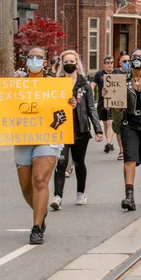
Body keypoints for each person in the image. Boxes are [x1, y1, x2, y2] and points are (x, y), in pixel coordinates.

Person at [0, 46, 76, 244]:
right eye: (30, 57)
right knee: (26, 185)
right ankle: (40, 211)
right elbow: (5, 106)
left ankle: (36, 228)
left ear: (45, 62)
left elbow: (62, 107)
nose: (34, 60)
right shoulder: (17, 84)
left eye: (38, 57)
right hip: (23, 137)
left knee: (40, 180)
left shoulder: (55, 85)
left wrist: (70, 103)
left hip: (47, 137)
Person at [105, 49, 141, 211]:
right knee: (129, 158)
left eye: (140, 58)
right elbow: (116, 108)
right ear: (129, 61)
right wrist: (111, 99)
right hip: (129, 122)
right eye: (134, 58)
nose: (137, 60)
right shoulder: (121, 80)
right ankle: (129, 195)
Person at [51, 50, 103, 210]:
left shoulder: (84, 84)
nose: (69, 64)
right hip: (61, 128)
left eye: (71, 61)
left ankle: (81, 192)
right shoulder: (56, 83)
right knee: (61, 163)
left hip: (80, 129)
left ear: (77, 64)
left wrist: (98, 129)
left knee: (79, 162)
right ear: (61, 63)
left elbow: (91, 108)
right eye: (65, 61)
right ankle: (57, 196)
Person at [92, 55, 115, 154]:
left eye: (112, 62)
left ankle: (109, 143)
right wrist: (90, 92)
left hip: (113, 102)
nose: (110, 65)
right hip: (102, 102)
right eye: (108, 63)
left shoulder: (116, 73)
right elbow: (93, 84)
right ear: (104, 64)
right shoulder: (99, 74)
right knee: (105, 123)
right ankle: (109, 142)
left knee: (110, 123)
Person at [111, 53, 130, 160]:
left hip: (131, 104)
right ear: (120, 63)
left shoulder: (133, 74)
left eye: (129, 61)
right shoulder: (114, 73)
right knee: (119, 127)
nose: (127, 63)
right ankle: (121, 150)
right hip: (117, 104)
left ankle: (128, 150)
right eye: (124, 61)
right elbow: (108, 88)